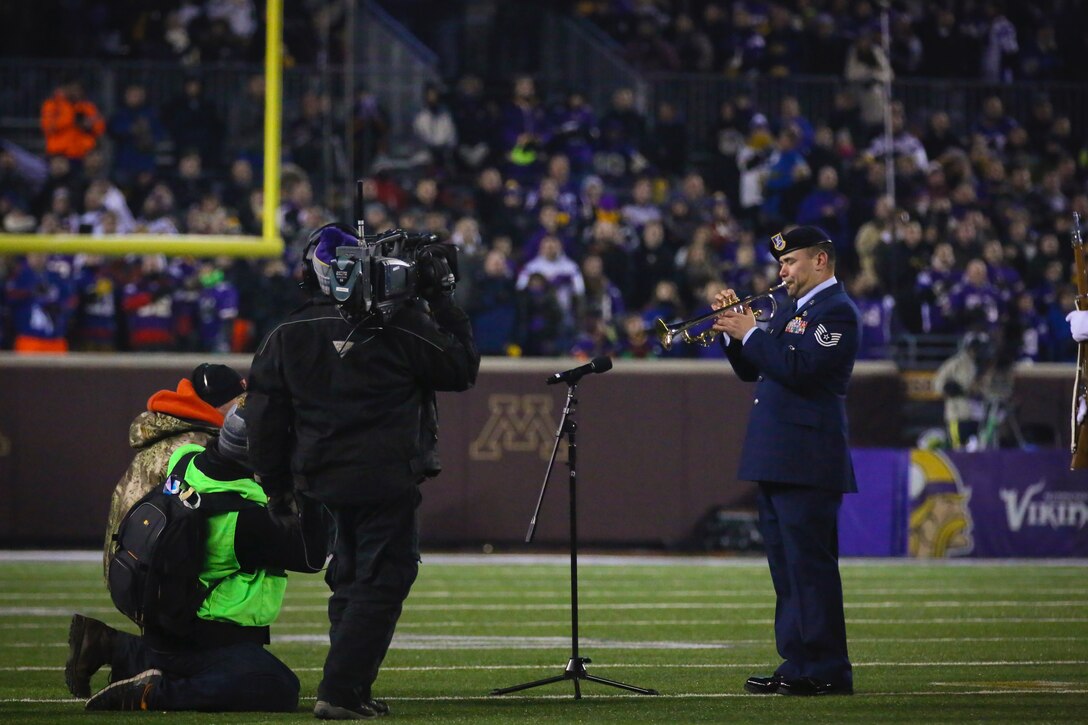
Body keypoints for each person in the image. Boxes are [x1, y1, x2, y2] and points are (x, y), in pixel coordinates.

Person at [243, 224, 480, 720]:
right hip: (383, 477)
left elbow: (264, 421)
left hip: (319, 481)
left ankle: (350, 688)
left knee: (349, 579)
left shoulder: (286, 333)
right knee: (384, 576)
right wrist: (441, 296)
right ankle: (342, 691)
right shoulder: (400, 325)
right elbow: (460, 368)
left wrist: (276, 487)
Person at [69, 400, 323, 712]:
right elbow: (314, 556)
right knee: (276, 686)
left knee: (193, 655)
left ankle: (113, 646)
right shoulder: (243, 522)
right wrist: (312, 485)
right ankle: (154, 693)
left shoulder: (185, 461)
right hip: (207, 634)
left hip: (167, 619)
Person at [711, 225, 859, 697]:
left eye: (790, 262)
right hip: (777, 457)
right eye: (780, 263)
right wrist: (735, 335)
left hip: (808, 459)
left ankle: (828, 667)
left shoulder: (837, 312)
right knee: (786, 570)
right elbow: (754, 368)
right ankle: (797, 662)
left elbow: (800, 369)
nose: (782, 271)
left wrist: (752, 331)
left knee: (810, 568)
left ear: (821, 260)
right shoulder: (793, 310)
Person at [102, 363, 246, 582]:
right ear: (222, 405)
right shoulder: (200, 445)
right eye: (239, 400)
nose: (244, 409)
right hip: (155, 576)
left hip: (125, 567)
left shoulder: (170, 435)